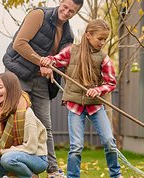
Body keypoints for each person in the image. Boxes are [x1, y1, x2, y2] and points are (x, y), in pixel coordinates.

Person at [2, 0, 83, 176]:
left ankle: (52, 169)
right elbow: (19, 43)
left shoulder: (68, 35)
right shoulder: (38, 15)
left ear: (75, 13)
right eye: (65, 7)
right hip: (19, 74)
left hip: (40, 81)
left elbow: (62, 62)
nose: (66, 12)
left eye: (72, 11)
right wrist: (41, 62)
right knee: (15, 120)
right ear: (61, 2)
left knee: (45, 125)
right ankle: (9, 168)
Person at [39, 19, 123, 178]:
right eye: (100, 38)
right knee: (76, 146)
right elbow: (55, 60)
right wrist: (47, 60)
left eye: (105, 39)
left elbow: (111, 82)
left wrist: (98, 90)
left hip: (95, 107)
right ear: (88, 35)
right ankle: (73, 176)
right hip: (75, 106)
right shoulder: (72, 51)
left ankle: (116, 174)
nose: (103, 42)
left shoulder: (103, 58)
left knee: (109, 143)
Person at [0, 72, 48, 178]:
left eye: (0, 87)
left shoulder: (26, 113)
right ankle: (8, 176)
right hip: (11, 153)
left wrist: (2, 151)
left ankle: (30, 176)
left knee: (7, 159)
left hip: (36, 158)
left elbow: (31, 147)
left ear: (11, 89)